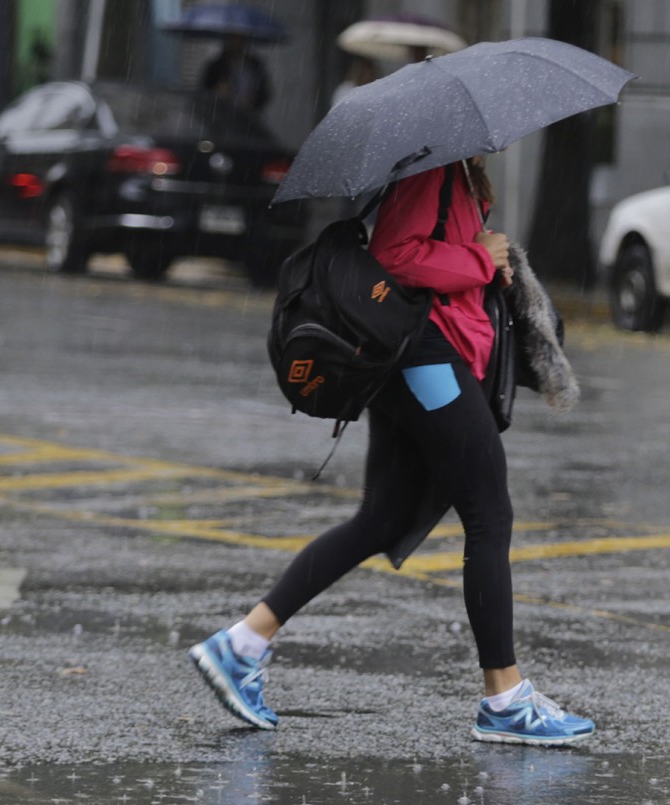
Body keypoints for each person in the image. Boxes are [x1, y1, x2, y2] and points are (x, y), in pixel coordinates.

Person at [188, 157, 596, 747]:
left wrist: (487, 263)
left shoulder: (456, 173)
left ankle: (242, 643)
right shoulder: (430, 171)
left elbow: (440, 260)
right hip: (424, 356)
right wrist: (481, 257)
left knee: (381, 519)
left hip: (430, 353)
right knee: (489, 513)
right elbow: (397, 257)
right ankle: (504, 698)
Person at [201, 34, 270, 113]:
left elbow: (264, 92)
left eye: (239, 40)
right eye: (233, 39)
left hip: (248, 115)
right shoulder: (217, 66)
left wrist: (253, 99)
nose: (236, 43)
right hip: (222, 114)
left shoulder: (254, 65)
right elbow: (205, 90)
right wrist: (219, 94)